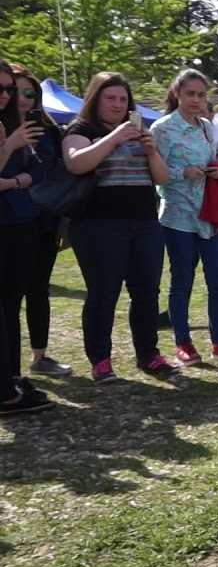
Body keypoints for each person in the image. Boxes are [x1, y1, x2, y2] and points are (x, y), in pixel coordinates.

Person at [63, 72, 179, 383]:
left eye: (123, 99)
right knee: (104, 294)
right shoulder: (82, 129)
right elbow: (76, 163)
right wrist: (114, 137)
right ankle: (101, 360)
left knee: (146, 293)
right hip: (98, 224)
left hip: (143, 222)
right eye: (110, 98)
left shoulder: (140, 131)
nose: (117, 104)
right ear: (95, 100)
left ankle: (148, 355)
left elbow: (162, 178)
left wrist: (152, 151)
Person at [152, 69, 218, 365]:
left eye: (201, 94)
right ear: (176, 93)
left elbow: (210, 162)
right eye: (190, 93)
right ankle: (183, 342)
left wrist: (215, 169)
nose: (196, 99)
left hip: (208, 216)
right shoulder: (162, 128)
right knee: (182, 281)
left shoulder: (206, 126)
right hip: (177, 217)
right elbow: (156, 176)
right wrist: (182, 173)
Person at [8, 64, 74, 377]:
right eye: (13, 91)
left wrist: (64, 220)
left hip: (45, 220)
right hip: (9, 219)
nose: (22, 98)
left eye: (29, 92)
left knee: (38, 289)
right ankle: (9, 371)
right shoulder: (3, 127)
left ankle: (39, 357)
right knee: (9, 294)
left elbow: (60, 173)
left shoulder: (48, 130)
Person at [0, 59, 54, 412]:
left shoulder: (19, 128)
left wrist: (12, 182)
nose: (8, 97)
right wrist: (9, 148)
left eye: (13, 90)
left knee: (9, 306)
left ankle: (11, 380)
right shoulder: (10, 133)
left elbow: (39, 170)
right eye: (4, 90)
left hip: (21, 223)